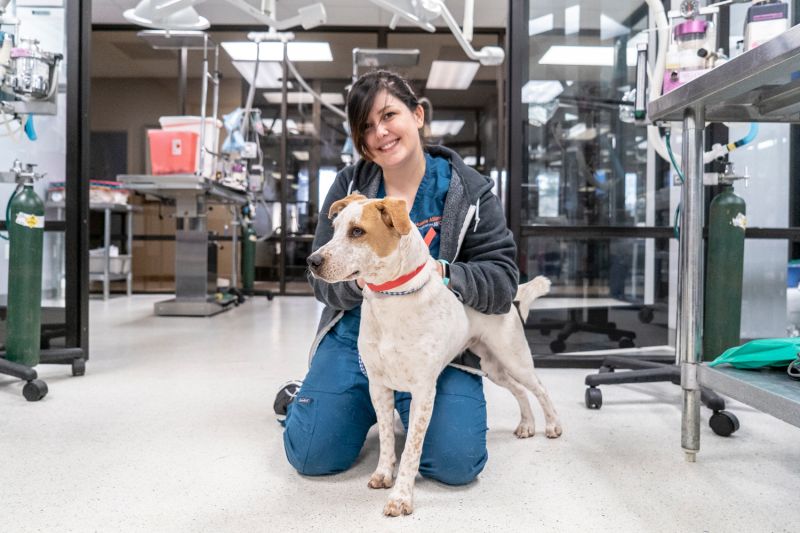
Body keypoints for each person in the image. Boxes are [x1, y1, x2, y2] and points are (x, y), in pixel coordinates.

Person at [277, 69, 519, 486]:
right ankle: (317, 398)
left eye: (389, 115)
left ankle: (384, 407)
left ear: (418, 115)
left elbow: (502, 282)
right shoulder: (349, 187)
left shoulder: (470, 192)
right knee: (311, 454)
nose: (380, 133)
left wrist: (440, 274)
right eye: (366, 126)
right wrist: (361, 279)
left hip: (432, 340)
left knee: (455, 464)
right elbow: (320, 276)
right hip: (361, 335)